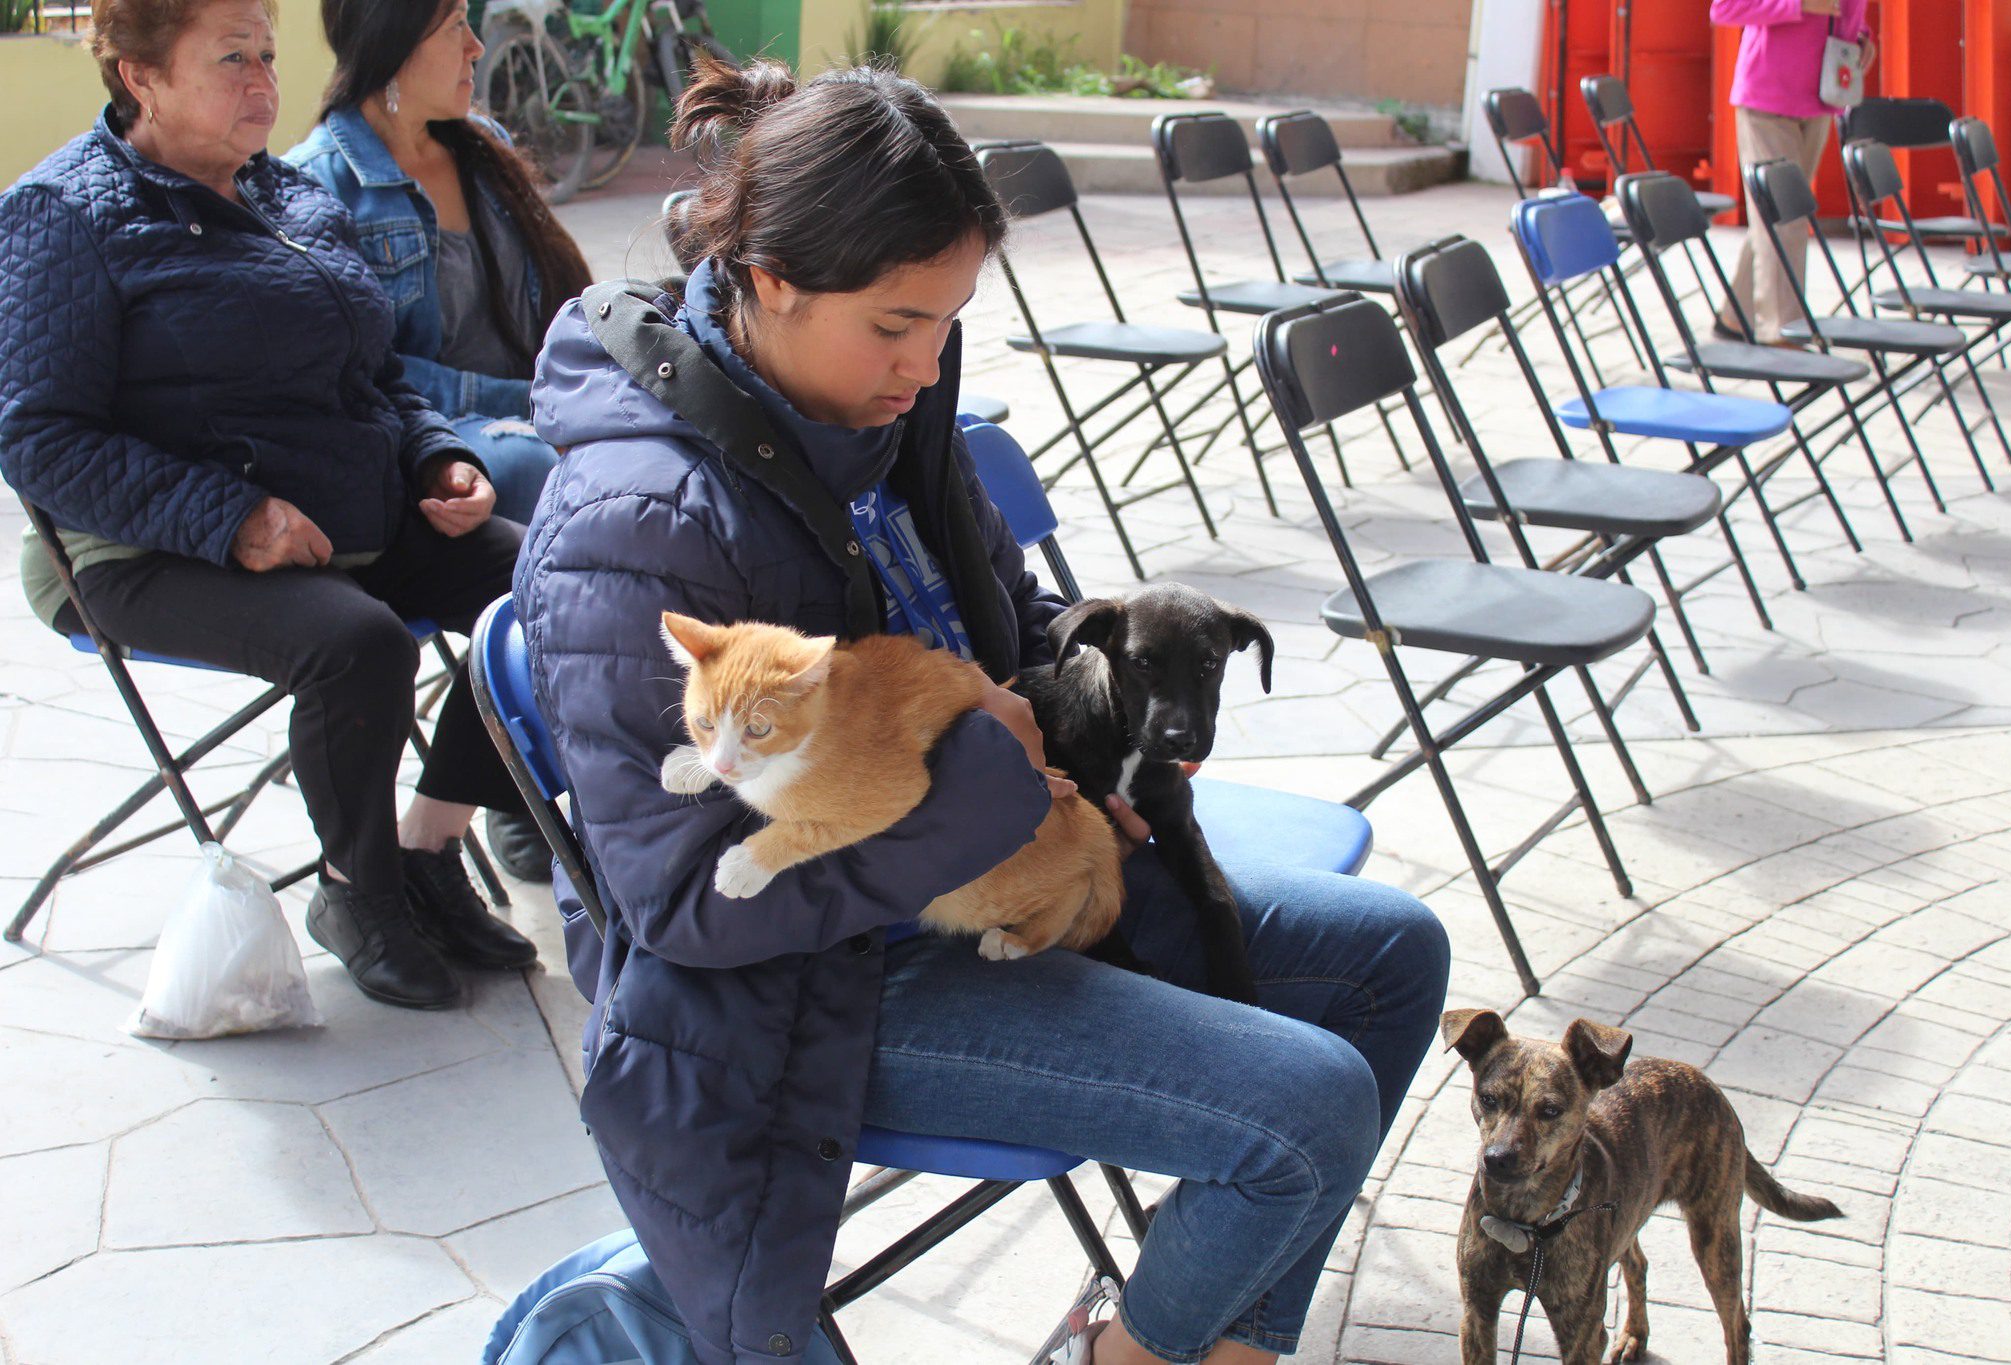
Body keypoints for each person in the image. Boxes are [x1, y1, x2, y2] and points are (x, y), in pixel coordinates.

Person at [513, 58, 1452, 1365]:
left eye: (947, 319)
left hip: (1007, 869)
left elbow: (1012, 629)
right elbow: (683, 904)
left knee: (1391, 956)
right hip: (813, 991)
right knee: (1303, 1110)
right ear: (770, 277)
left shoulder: (887, 419)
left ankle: (1216, 1345)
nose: (926, 360)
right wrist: (991, 795)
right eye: (896, 324)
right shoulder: (643, 528)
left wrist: (1102, 748)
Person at [0, 0, 539, 1010]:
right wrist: (230, 515)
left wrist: (434, 459)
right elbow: (38, 437)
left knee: (557, 582)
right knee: (359, 643)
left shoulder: (285, 194)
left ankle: (430, 843)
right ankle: (356, 892)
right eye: (230, 59)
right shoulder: (63, 214)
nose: (263, 82)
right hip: (136, 551)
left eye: (268, 55)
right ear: (140, 77)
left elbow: (374, 372)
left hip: (347, 512)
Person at [286, 0, 595, 882]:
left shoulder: (480, 143)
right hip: (426, 439)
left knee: (659, 477)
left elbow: (555, 315)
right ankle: (520, 771)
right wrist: (527, 408)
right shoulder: (320, 184)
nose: (474, 45)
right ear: (388, 45)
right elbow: (371, 370)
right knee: (555, 488)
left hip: (529, 413)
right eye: (452, 24)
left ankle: (533, 762)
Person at [1711, 0, 1874, 345]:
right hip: (1767, 99)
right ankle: (1782, 333)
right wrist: (1798, 5)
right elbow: (1723, 9)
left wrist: (1860, 38)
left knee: (1777, 218)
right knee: (1785, 220)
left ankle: (1736, 317)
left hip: (1820, 97)